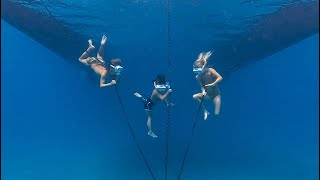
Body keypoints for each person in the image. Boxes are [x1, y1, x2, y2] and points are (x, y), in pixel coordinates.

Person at [134, 74, 173, 138]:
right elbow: (162, 98)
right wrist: (168, 91)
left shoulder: (158, 88)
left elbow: (162, 92)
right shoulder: (155, 91)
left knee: (146, 101)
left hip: (150, 101)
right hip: (149, 104)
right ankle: (150, 131)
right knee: (149, 117)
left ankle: (141, 97)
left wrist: (167, 103)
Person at [192, 51, 223, 120]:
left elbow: (220, 78)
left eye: (198, 70)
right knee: (194, 97)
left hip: (216, 94)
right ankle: (205, 111)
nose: (198, 72)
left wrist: (213, 84)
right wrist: (203, 91)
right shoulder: (198, 77)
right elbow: (202, 86)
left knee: (216, 114)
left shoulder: (210, 70)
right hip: (208, 95)